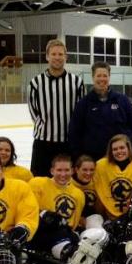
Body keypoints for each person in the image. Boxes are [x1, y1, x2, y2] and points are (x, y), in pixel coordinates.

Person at [28, 39, 86, 177]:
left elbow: (80, 112)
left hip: (68, 143)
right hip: (43, 143)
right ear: (47, 56)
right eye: (53, 54)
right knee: (39, 181)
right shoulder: (36, 82)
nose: (57, 57)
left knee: (68, 182)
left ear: (66, 57)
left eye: (60, 54)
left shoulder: (77, 82)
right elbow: (34, 112)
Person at [69, 61, 132, 161]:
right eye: (98, 75)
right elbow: (75, 131)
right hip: (94, 158)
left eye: (105, 76)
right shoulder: (84, 104)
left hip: (121, 156)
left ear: (109, 77)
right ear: (92, 77)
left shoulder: (122, 100)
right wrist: (78, 155)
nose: (102, 79)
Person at [26, 155, 86, 264]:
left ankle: (67, 250)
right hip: (40, 232)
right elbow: (29, 211)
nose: (63, 174)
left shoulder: (79, 194)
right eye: (59, 170)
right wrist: (44, 215)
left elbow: (72, 224)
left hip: (63, 234)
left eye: (66, 170)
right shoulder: (37, 183)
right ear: (52, 171)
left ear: (72, 171)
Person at [93, 134, 132, 220]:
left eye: (122, 148)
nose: (119, 151)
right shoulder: (101, 166)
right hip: (109, 218)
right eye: (115, 149)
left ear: (128, 148)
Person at [71, 155, 98, 220]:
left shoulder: (97, 183)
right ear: (76, 169)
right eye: (85, 170)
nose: (88, 173)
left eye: (91, 170)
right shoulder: (67, 183)